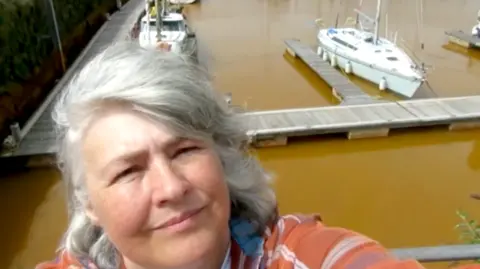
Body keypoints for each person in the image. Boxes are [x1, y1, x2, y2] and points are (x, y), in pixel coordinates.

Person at [34, 42, 474, 269]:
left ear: (221, 154)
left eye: (185, 150)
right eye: (129, 170)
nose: (170, 187)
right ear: (89, 203)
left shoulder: (301, 256)